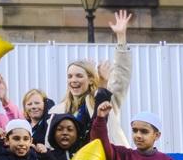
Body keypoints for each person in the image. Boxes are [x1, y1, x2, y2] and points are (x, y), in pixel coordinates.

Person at [46, 10, 133, 147]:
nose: (73, 80)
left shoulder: (104, 102)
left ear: (91, 79)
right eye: (70, 76)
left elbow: (122, 77)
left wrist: (121, 37)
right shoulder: (57, 111)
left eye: (79, 76)